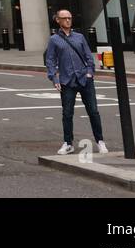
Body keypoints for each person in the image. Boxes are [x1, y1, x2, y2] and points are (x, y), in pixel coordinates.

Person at [45, 9, 107, 156]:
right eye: (64, 18)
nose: (68, 20)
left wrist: (89, 73)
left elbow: (88, 57)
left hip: (84, 79)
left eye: (70, 18)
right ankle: (68, 143)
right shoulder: (54, 40)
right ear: (58, 20)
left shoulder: (79, 37)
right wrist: (54, 78)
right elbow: (50, 60)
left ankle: (100, 141)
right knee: (67, 113)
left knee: (93, 111)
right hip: (67, 81)